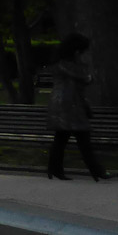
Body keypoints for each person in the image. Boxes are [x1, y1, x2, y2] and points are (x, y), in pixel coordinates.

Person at [46, 32, 106, 181]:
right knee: (82, 138)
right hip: (70, 105)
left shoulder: (59, 63)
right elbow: (87, 78)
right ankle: (96, 170)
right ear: (77, 51)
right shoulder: (70, 65)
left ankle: (55, 168)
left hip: (61, 104)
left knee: (61, 139)